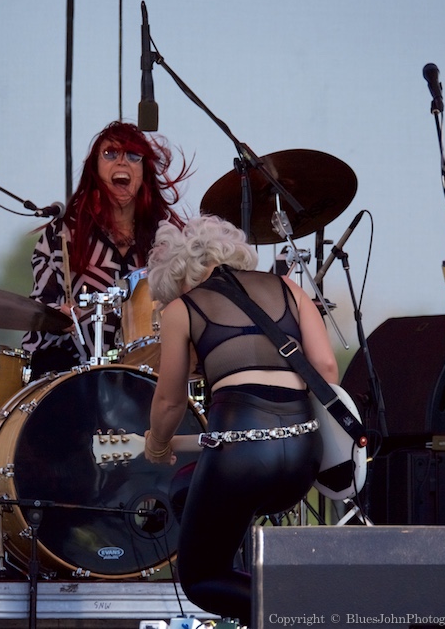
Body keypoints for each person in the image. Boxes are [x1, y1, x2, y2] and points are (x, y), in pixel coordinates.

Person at [144, 215, 339, 627]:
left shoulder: (182, 308)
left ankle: (310, 615)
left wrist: (158, 444)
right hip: (303, 456)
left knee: (201, 577)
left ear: (179, 279)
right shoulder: (287, 287)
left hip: (241, 457)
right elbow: (325, 368)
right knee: (188, 488)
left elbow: (169, 402)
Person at [22, 121, 189, 377]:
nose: (122, 162)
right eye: (110, 154)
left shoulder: (165, 238)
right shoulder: (64, 232)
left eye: (133, 156)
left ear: (144, 171)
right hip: (68, 369)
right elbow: (38, 308)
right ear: (95, 169)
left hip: (147, 370)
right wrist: (60, 316)